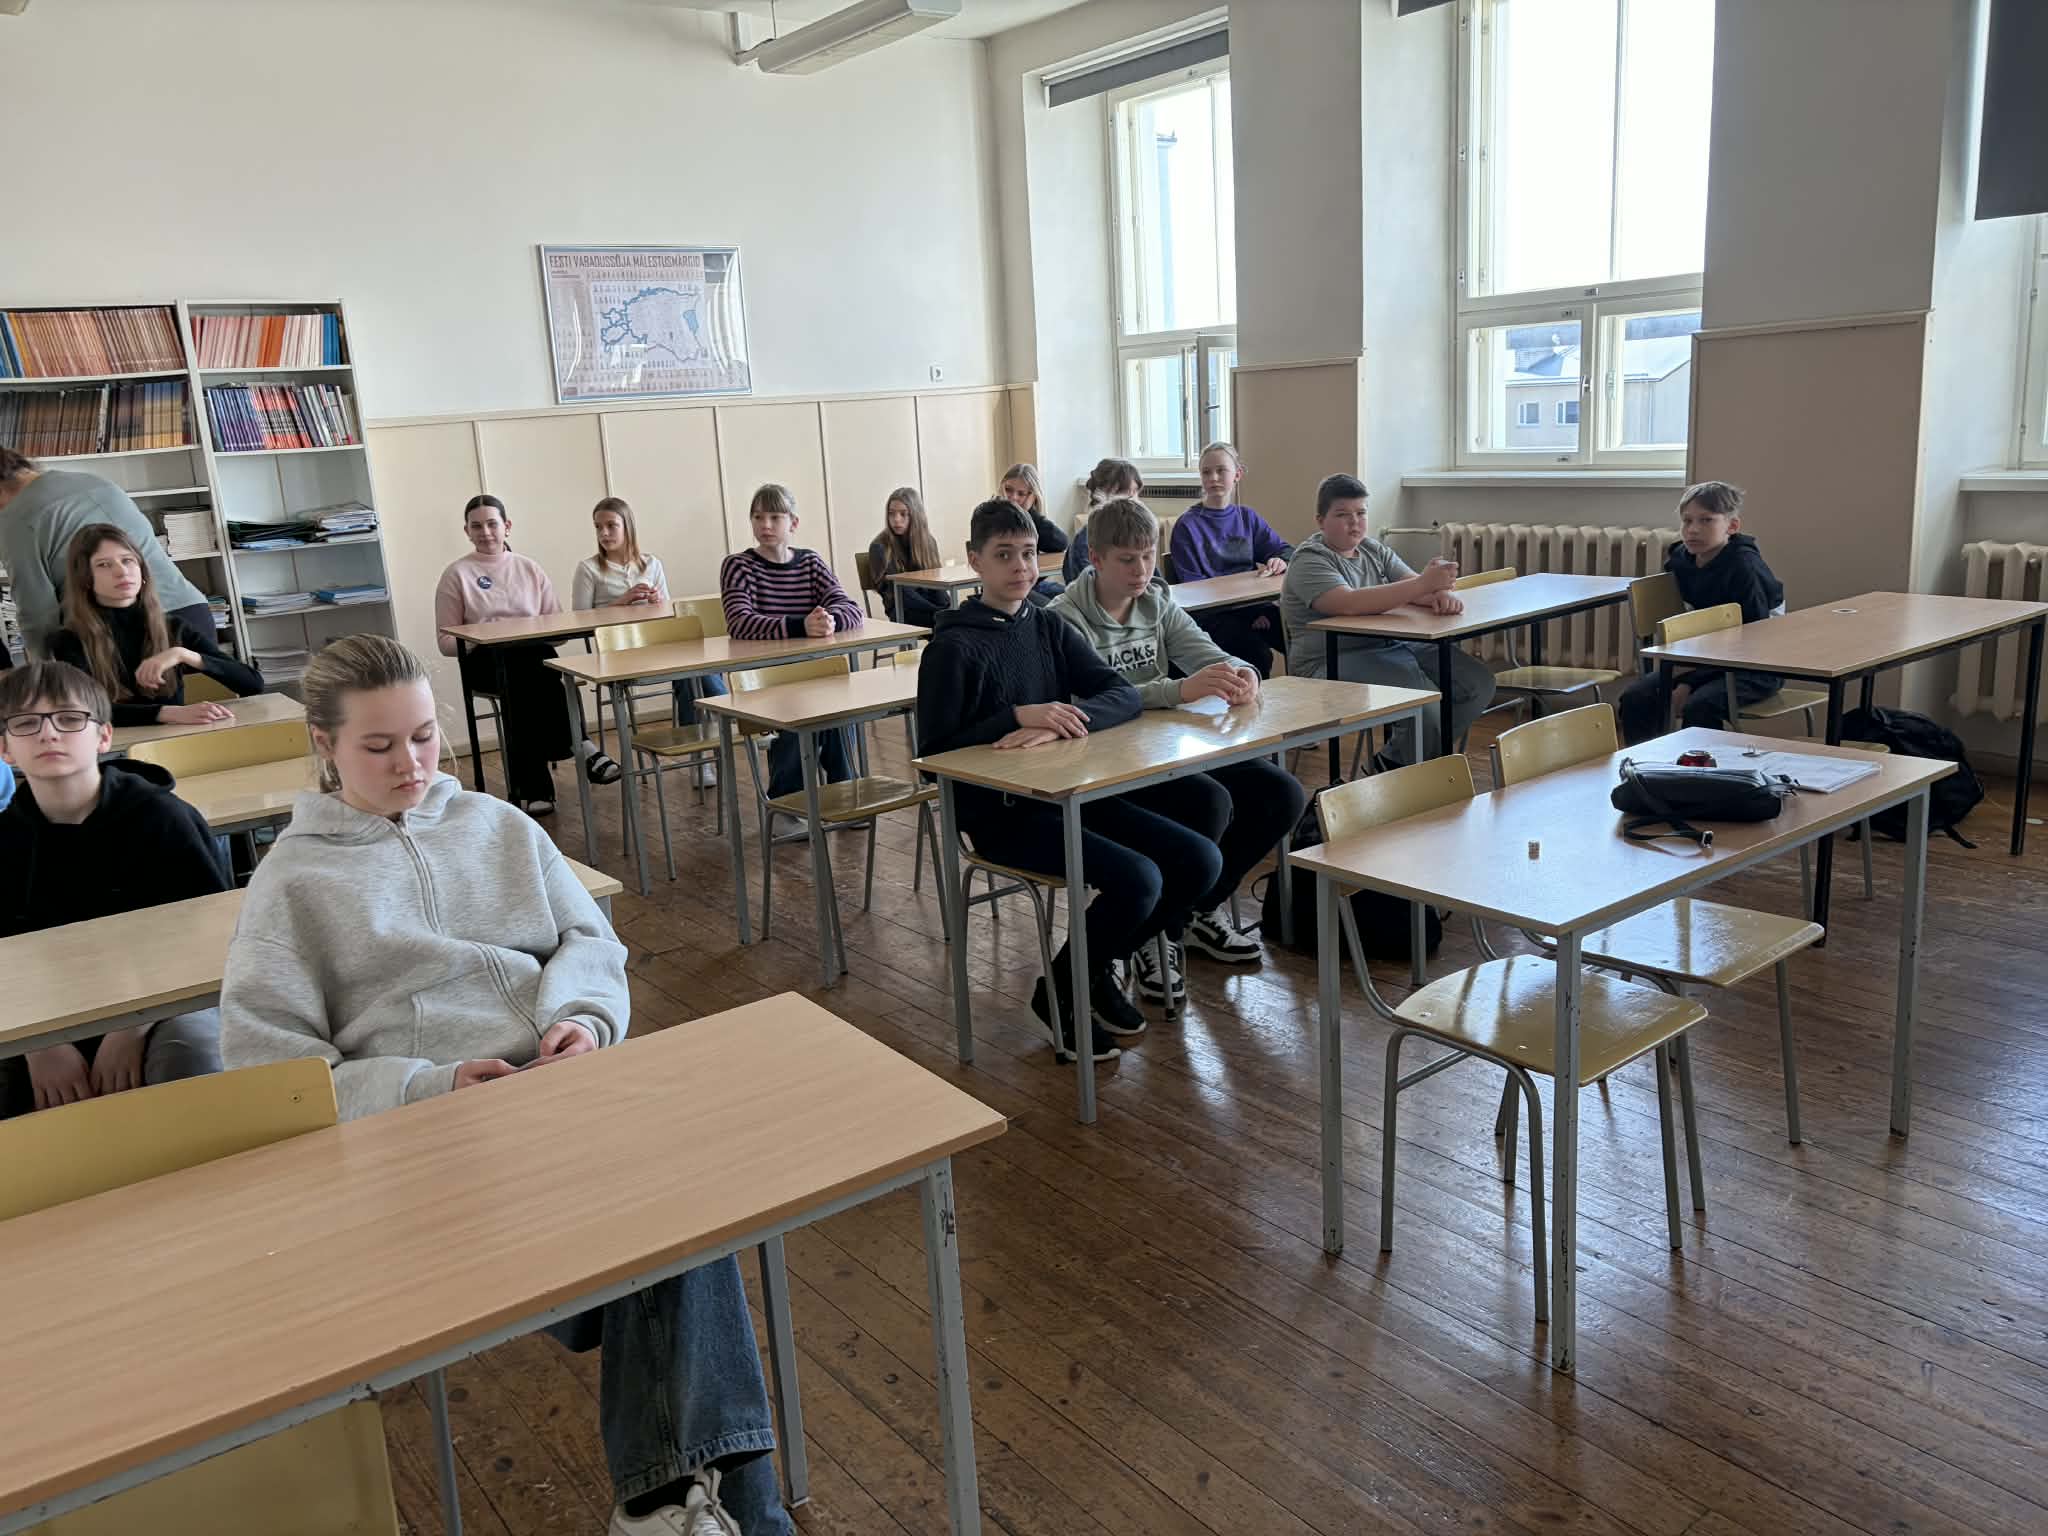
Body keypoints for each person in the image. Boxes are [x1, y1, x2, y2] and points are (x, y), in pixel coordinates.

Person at [217, 635, 791, 1536]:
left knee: (679, 1208)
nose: (411, 764)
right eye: (379, 746)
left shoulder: (498, 825)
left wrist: (582, 1021)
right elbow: (269, 1070)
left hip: (564, 1104)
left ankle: (669, 1510)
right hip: (432, 1150)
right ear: (324, 745)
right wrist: (427, 1085)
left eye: (423, 736)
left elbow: (589, 939)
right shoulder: (293, 884)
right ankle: (709, 1514)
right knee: (671, 1222)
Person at [917, 498, 1218, 1062]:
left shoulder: (1047, 625)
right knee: (1140, 879)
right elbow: (933, 753)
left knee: (1199, 860)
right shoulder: (950, 647)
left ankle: (1081, 972)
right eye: (1004, 555)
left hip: (1071, 792)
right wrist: (1015, 716)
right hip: (1001, 814)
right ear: (975, 561)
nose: (1020, 567)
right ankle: (1070, 985)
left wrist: (1060, 722)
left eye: (1029, 553)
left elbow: (1121, 695)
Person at [1049, 497, 1302, 1003]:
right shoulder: (1064, 618)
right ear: (1095, 559)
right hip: (1105, 764)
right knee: (1208, 804)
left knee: (1282, 795)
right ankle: (1152, 932)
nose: (1141, 570)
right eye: (1127, 559)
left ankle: (1191, 912)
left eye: (1148, 556)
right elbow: (1088, 702)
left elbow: (1208, 653)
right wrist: (1177, 690)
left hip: (1164, 745)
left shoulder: (1156, 603)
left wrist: (1243, 674)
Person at [0, 660, 228, 1118]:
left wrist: (131, 1028)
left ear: (103, 736)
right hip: (44, 1015)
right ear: (5, 749)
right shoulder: (5, 841)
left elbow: (208, 942)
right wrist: (40, 1045)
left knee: (191, 1054)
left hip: (164, 1002)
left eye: (69, 719)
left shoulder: (164, 820)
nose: (48, 734)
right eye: (26, 723)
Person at [1281, 473, 1496, 765]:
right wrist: (1423, 584)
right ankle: (1397, 771)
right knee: (1425, 706)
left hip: (1388, 645)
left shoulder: (1372, 549)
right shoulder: (1310, 559)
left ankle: (1403, 762)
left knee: (1478, 682)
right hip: (1329, 660)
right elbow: (1348, 604)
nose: (1354, 522)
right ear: (1321, 521)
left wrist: (1438, 592)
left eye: (1361, 513)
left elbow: (1412, 585)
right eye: (1342, 515)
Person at [433, 494, 621, 817]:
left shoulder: (529, 568)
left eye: (492, 524)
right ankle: (581, 745)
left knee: (529, 672)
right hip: (486, 662)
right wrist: (485, 635)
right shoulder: (456, 574)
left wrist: (531, 631)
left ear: (506, 526)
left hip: (532, 661)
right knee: (528, 672)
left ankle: (535, 789)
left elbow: (558, 630)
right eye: (476, 526)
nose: (485, 532)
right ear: (467, 531)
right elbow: (446, 643)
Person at [719, 483, 864, 798]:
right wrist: (802, 626)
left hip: (813, 671)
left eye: (775, 517)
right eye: (758, 517)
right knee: (797, 707)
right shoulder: (739, 565)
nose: (765, 525)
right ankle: (788, 798)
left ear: (793, 523)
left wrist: (830, 621)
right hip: (765, 677)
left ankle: (843, 791)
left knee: (839, 708)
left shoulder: (810, 562)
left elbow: (850, 607)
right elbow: (739, 622)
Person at [1617, 480, 1786, 744]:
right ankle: (1644, 765)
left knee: (1700, 706)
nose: (1693, 530)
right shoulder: (1680, 559)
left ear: (1732, 526)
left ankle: (1701, 768)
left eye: (1706, 520)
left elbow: (1751, 642)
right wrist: (1683, 675)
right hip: (1701, 659)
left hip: (1755, 666)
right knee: (1635, 697)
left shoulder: (1744, 568)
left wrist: (1690, 682)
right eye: (1687, 521)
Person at [0, 447, 211, 656]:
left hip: (121, 635)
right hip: (189, 613)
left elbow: (37, 612)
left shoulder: (13, 520)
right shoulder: (94, 481)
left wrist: (42, 668)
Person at [47, 524, 264, 727]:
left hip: (176, 742)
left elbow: (252, 684)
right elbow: (85, 710)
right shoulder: (69, 640)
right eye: (104, 564)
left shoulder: (173, 627)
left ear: (142, 570)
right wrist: (168, 713)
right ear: (85, 578)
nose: (122, 572)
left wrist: (183, 654)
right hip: (114, 748)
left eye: (128, 560)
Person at [572, 495, 727, 753]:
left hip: (659, 645)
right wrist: (622, 601)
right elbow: (580, 618)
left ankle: (699, 748)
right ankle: (730, 716)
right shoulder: (589, 569)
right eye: (598, 527)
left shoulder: (652, 564)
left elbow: (669, 613)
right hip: (620, 654)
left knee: (694, 668)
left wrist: (656, 602)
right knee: (692, 670)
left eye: (611, 526)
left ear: (628, 527)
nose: (603, 533)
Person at [1170, 442, 1293, 677]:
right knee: (1257, 654)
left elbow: (1285, 550)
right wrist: (1248, 616)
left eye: (1221, 470)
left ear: (1237, 474)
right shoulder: (1187, 526)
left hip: (1253, 608)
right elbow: (1193, 589)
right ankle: (1254, 699)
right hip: (1213, 618)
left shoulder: (1247, 517)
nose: (1213, 478)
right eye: (1206, 472)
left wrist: (1280, 560)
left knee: (1298, 636)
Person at [867, 486, 947, 626]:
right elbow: (900, 593)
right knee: (949, 625)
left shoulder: (928, 542)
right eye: (891, 514)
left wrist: (947, 607)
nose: (896, 520)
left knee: (960, 620)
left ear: (916, 515)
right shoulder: (880, 547)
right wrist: (939, 612)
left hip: (932, 609)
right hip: (902, 611)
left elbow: (937, 584)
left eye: (903, 514)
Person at [1063, 457, 1144, 584]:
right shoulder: (1085, 541)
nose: (1135, 502)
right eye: (1127, 494)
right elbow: (1090, 590)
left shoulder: (1136, 534)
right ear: (1101, 495)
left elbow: (1156, 583)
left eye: (1135, 493)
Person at [998, 462, 1068, 603]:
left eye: (1021, 494)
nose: (1013, 497)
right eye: (1008, 490)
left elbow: (1060, 542)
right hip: (1006, 588)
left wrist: (1028, 512)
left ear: (1032, 497)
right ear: (1001, 488)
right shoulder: (991, 516)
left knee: (1075, 599)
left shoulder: (1031, 521)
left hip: (1032, 585)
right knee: (1056, 609)